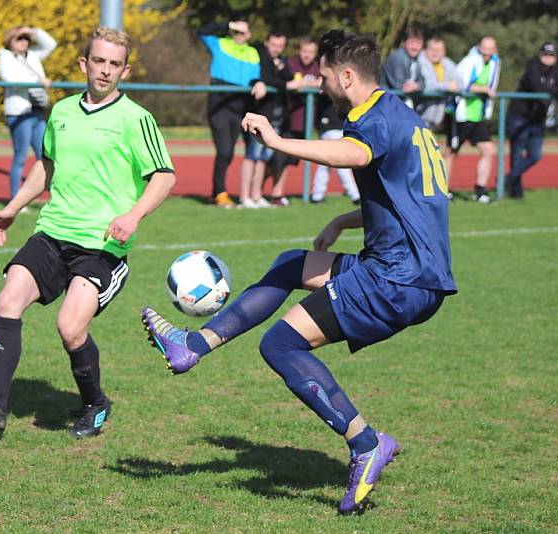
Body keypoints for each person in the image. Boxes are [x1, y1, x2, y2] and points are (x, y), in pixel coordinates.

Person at [142, 30, 457, 514]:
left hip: (396, 279)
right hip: (410, 272)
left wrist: (277, 139)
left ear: (347, 76)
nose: (319, 81)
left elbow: (352, 155)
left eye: (325, 75)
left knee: (280, 344)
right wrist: (344, 219)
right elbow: (416, 196)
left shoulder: (371, 119)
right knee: (292, 264)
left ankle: (365, 442)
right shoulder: (404, 117)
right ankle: (193, 346)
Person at [0, 27, 177, 439]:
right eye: (99, 61)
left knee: (70, 327)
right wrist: (13, 208)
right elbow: (47, 166)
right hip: (54, 232)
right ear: (84, 64)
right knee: (8, 299)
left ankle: (95, 404)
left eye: (114, 64)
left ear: (124, 70)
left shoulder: (136, 118)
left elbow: (164, 176)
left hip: (103, 245)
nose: (105, 71)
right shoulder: (61, 112)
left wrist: (133, 216)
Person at [198, 19, 260, 208]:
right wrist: (228, 25)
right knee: (224, 150)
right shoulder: (220, 44)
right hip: (220, 103)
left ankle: (216, 192)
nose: (239, 35)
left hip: (239, 105)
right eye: (236, 32)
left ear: (249, 35)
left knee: (229, 152)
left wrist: (259, 82)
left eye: (243, 32)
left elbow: (257, 76)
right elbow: (202, 30)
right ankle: (220, 193)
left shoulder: (253, 53)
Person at [505, 42, 558, 199]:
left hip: (537, 120)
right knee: (517, 154)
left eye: (551, 55)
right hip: (520, 117)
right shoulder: (533, 68)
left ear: (556, 58)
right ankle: (516, 192)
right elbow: (538, 88)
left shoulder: (555, 73)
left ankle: (508, 179)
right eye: (546, 54)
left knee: (535, 155)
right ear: (540, 55)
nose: (548, 58)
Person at [0, 26, 57, 200]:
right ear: (10, 40)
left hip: (37, 111)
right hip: (19, 112)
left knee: (45, 156)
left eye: (26, 38)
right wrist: (39, 81)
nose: (24, 41)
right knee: (20, 157)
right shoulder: (5, 57)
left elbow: (50, 44)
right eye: (19, 38)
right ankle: (16, 200)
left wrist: (34, 31)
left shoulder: (32, 56)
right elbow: (10, 78)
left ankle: (56, 198)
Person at [267, 36, 324, 207]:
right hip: (286, 119)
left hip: (305, 121)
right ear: (300, 50)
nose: (307, 55)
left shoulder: (318, 67)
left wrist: (309, 84)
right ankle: (267, 192)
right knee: (277, 159)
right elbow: (287, 81)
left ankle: (277, 194)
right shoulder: (290, 63)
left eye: (311, 52)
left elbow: (323, 82)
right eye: (305, 51)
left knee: (290, 161)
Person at [239, 31, 292, 208]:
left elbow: (289, 77)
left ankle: (256, 195)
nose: (276, 49)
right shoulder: (260, 56)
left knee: (263, 157)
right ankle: (244, 197)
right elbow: (267, 79)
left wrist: (281, 71)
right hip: (257, 115)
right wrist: (282, 83)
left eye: (280, 46)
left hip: (274, 117)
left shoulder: (281, 61)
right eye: (274, 45)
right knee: (251, 156)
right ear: (266, 42)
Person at [449, 36, 500, 203]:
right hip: (461, 114)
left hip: (478, 115)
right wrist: (484, 89)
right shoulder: (470, 61)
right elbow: (461, 84)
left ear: (494, 50)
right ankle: (442, 190)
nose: (486, 53)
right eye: (483, 48)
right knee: (451, 152)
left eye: (490, 49)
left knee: (487, 149)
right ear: (479, 47)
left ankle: (480, 191)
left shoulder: (495, 62)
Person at [417, 37, 461, 196]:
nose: (436, 54)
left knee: (434, 153)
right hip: (419, 115)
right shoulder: (420, 62)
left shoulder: (447, 63)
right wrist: (448, 86)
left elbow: (459, 83)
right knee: (422, 155)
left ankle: (436, 189)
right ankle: (423, 189)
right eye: (432, 50)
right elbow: (428, 84)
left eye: (439, 50)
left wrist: (450, 86)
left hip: (437, 116)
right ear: (426, 50)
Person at [310, 97, 360, 204]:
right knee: (339, 164)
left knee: (325, 164)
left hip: (335, 128)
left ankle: (317, 195)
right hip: (331, 128)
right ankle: (355, 195)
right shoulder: (330, 88)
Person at [379, 28, 424, 109]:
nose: (415, 47)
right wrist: (416, 86)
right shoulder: (397, 57)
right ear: (404, 43)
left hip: (402, 102)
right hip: (388, 103)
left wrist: (417, 86)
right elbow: (400, 85)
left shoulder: (417, 59)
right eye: (412, 42)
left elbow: (423, 82)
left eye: (418, 43)